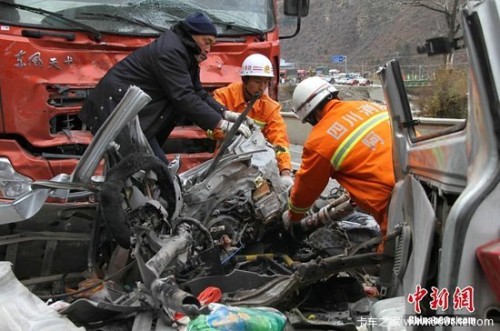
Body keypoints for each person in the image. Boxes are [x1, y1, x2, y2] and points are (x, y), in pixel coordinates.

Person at [79, 12, 250, 163]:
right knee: (155, 170)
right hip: (117, 110)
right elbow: (183, 96)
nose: (208, 49)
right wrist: (220, 124)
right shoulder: (171, 52)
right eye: (207, 42)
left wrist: (226, 113)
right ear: (192, 34)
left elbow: (197, 92)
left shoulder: (185, 53)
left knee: (144, 170)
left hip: (133, 117)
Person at [283, 76, 395, 235]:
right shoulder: (369, 106)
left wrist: (292, 216)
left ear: (312, 115)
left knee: (390, 254)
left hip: (393, 203)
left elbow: (306, 189)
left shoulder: (319, 141)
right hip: (425, 177)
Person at [212, 54, 293, 188]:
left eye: (266, 82)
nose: (262, 87)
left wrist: (285, 172)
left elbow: (279, 141)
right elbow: (211, 128)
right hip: (224, 162)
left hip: (256, 166)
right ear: (245, 79)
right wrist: (229, 133)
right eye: (257, 81)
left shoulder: (270, 107)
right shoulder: (223, 96)